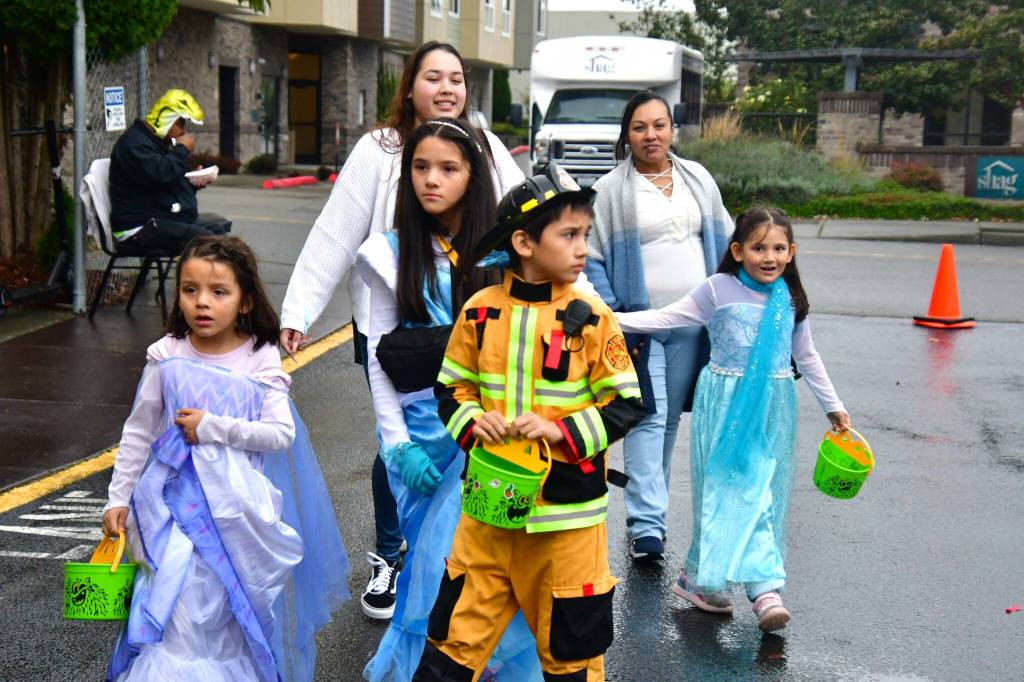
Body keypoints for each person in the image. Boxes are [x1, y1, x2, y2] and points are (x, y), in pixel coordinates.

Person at [279, 42, 525, 620]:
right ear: (410, 86)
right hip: (396, 330)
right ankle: (391, 554)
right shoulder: (380, 149)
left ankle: (469, 564)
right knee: (398, 438)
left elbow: (528, 219)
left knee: (472, 441)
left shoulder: (486, 147)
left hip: (474, 327)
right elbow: (336, 230)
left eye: (456, 78)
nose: (447, 88)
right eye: (433, 77)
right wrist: (298, 311)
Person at [413, 164, 646, 681]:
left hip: (567, 525)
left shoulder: (593, 316)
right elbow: (451, 389)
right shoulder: (479, 311)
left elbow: (627, 403)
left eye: (585, 235)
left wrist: (561, 432)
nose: (582, 249)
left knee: (571, 659)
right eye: (569, 235)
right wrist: (474, 422)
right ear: (523, 242)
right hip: (487, 515)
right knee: (450, 647)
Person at [101, 236, 348, 680]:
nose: (202, 302)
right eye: (190, 290)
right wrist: (117, 498)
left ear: (245, 300)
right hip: (169, 516)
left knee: (223, 621)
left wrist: (211, 427)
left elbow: (280, 434)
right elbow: (138, 433)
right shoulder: (167, 355)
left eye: (219, 292)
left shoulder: (259, 358)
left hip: (236, 518)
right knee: (175, 616)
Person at [354, 118, 541, 681]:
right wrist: (397, 448)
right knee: (431, 575)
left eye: (448, 168)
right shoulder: (385, 254)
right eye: (420, 167)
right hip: (421, 438)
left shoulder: (509, 251)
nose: (431, 180)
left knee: (489, 573)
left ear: (473, 176)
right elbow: (379, 362)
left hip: (493, 436)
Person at [615, 207, 851, 632]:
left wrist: (832, 406)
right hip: (723, 406)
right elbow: (668, 317)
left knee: (759, 490)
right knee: (731, 490)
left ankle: (704, 580)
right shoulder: (718, 289)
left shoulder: (791, 300)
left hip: (772, 408)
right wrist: (609, 318)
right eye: (759, 248)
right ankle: (762, 590)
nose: (769, 257)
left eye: (778, 248)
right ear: (738, 251)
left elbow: (806, 356)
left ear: (792, 252)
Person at [584, 92, 733, 564]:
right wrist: (614, 314)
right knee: (647, 415)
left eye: (659, 125)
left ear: (672, 130)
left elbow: (726, 240)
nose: (651, 135)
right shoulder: (609, 190)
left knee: (667, 421)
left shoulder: (698, 178)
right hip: (639, 326)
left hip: (692, 323)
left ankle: (651, 517)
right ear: (626, 136)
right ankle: (646, 527)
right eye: (640, 127)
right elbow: (591, 258)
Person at [109, 89, 231, 252]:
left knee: (217, 230)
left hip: (159, 218)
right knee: (207, 240)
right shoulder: (134, 144)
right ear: (166, 118)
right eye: (179, 124)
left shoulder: (154, 143)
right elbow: (161, 174)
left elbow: (163, 181)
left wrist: (191, 183)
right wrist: (182, 148)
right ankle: (200, 269)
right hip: (138, 226)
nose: (182, 132)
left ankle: (212, 269)